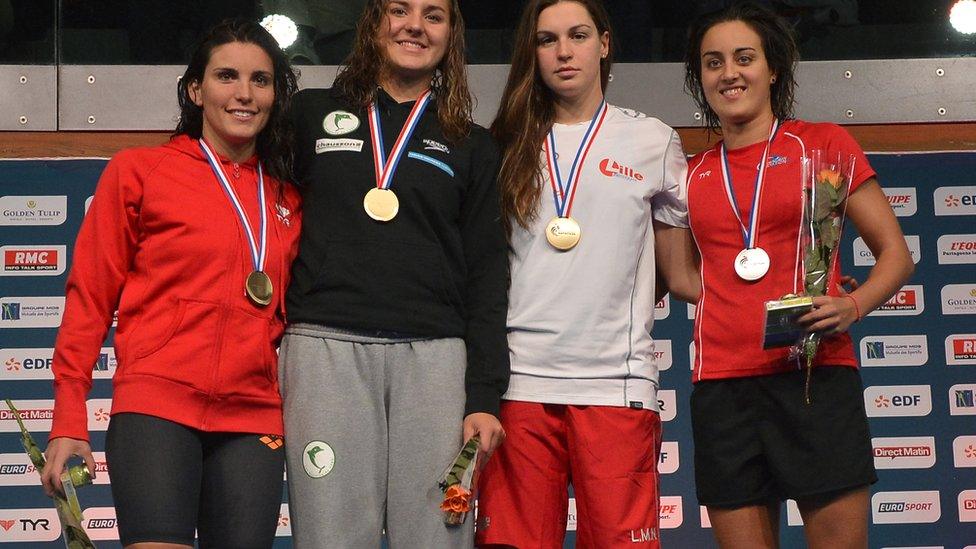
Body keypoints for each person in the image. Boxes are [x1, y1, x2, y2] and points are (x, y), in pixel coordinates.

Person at [41, 19, 301, 548]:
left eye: (261, 79)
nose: (244, 94)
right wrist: (68, 416)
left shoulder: (290, 199)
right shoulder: (140, 172)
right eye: (227, 76)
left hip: (254, 417)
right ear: (195, 89)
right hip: (157, 407)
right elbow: (90, 298)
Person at [681, 3, 914, 547]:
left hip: (815, 374)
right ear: (701, 77)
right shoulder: (689, 174)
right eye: (713, 63)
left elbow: (896, 255)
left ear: (773, 69)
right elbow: (686, 279)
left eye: (744, 58)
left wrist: (851, 306)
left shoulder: (823, 144)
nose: (729, 73)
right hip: (722, 386)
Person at [279, 0, 509, 546]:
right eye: (399, 9)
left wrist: (483, 395)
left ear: (451, 33)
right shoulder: (309, 114)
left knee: (437, 535)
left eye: (434, 15)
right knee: (330, 536)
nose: (414, 25)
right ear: (373, 23)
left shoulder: (471, 143)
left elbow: (487, 274)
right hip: (325, 349)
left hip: (434, 361)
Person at [475, 1, 695, 547]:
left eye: (577, 36)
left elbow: (679, 275)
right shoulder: (500, 143)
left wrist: (788, 288)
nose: (563, 52)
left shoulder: (654, 141)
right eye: (547, 40)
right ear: (532, 52)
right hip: (519, 384)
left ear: (604, 42)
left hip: (615, 384)